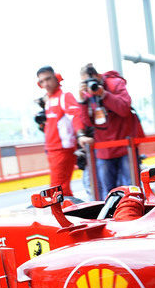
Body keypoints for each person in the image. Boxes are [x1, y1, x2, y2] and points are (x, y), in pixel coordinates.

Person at [76, 63, 143, 198]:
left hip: (125, 146)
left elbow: (124, 109)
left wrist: (103, 94)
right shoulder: (86, 94)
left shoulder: (115, 83)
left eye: (91, 81)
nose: (90, 85)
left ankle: (135, 214)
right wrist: (82, 101)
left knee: (132, 189)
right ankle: (109, 217)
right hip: (104, 149)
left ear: (98, 76)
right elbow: (87, 122)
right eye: (85, 83)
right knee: (106, 192)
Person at [36, 65, 84, 198]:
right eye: (42, 81)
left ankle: (64, 216)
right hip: (52, 149)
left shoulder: (65, 97)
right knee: (61, 189)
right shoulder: (48, 100)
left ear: (56, 78)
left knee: (58, 190)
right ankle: (67, 215)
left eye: (48, 79)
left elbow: (75, 115)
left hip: (62, 150)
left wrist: (81, 135)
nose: (46, 84)